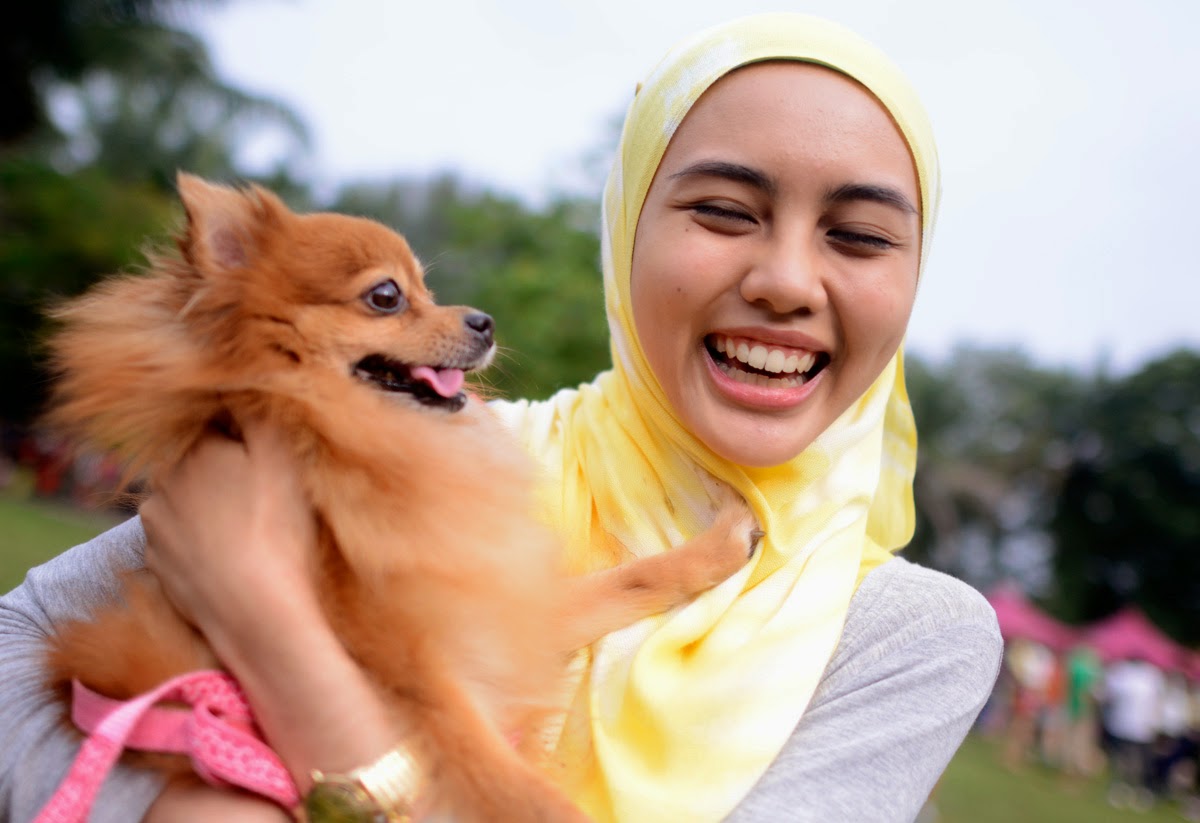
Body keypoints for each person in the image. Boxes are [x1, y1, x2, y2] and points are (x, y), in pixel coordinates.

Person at [0, 13, 1002, 823]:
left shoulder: (911, 639)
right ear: (625, 229)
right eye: (726, 212)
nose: (785, 281)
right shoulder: (421, 444)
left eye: (861, 235)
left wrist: (279, 643)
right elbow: (24, 639)